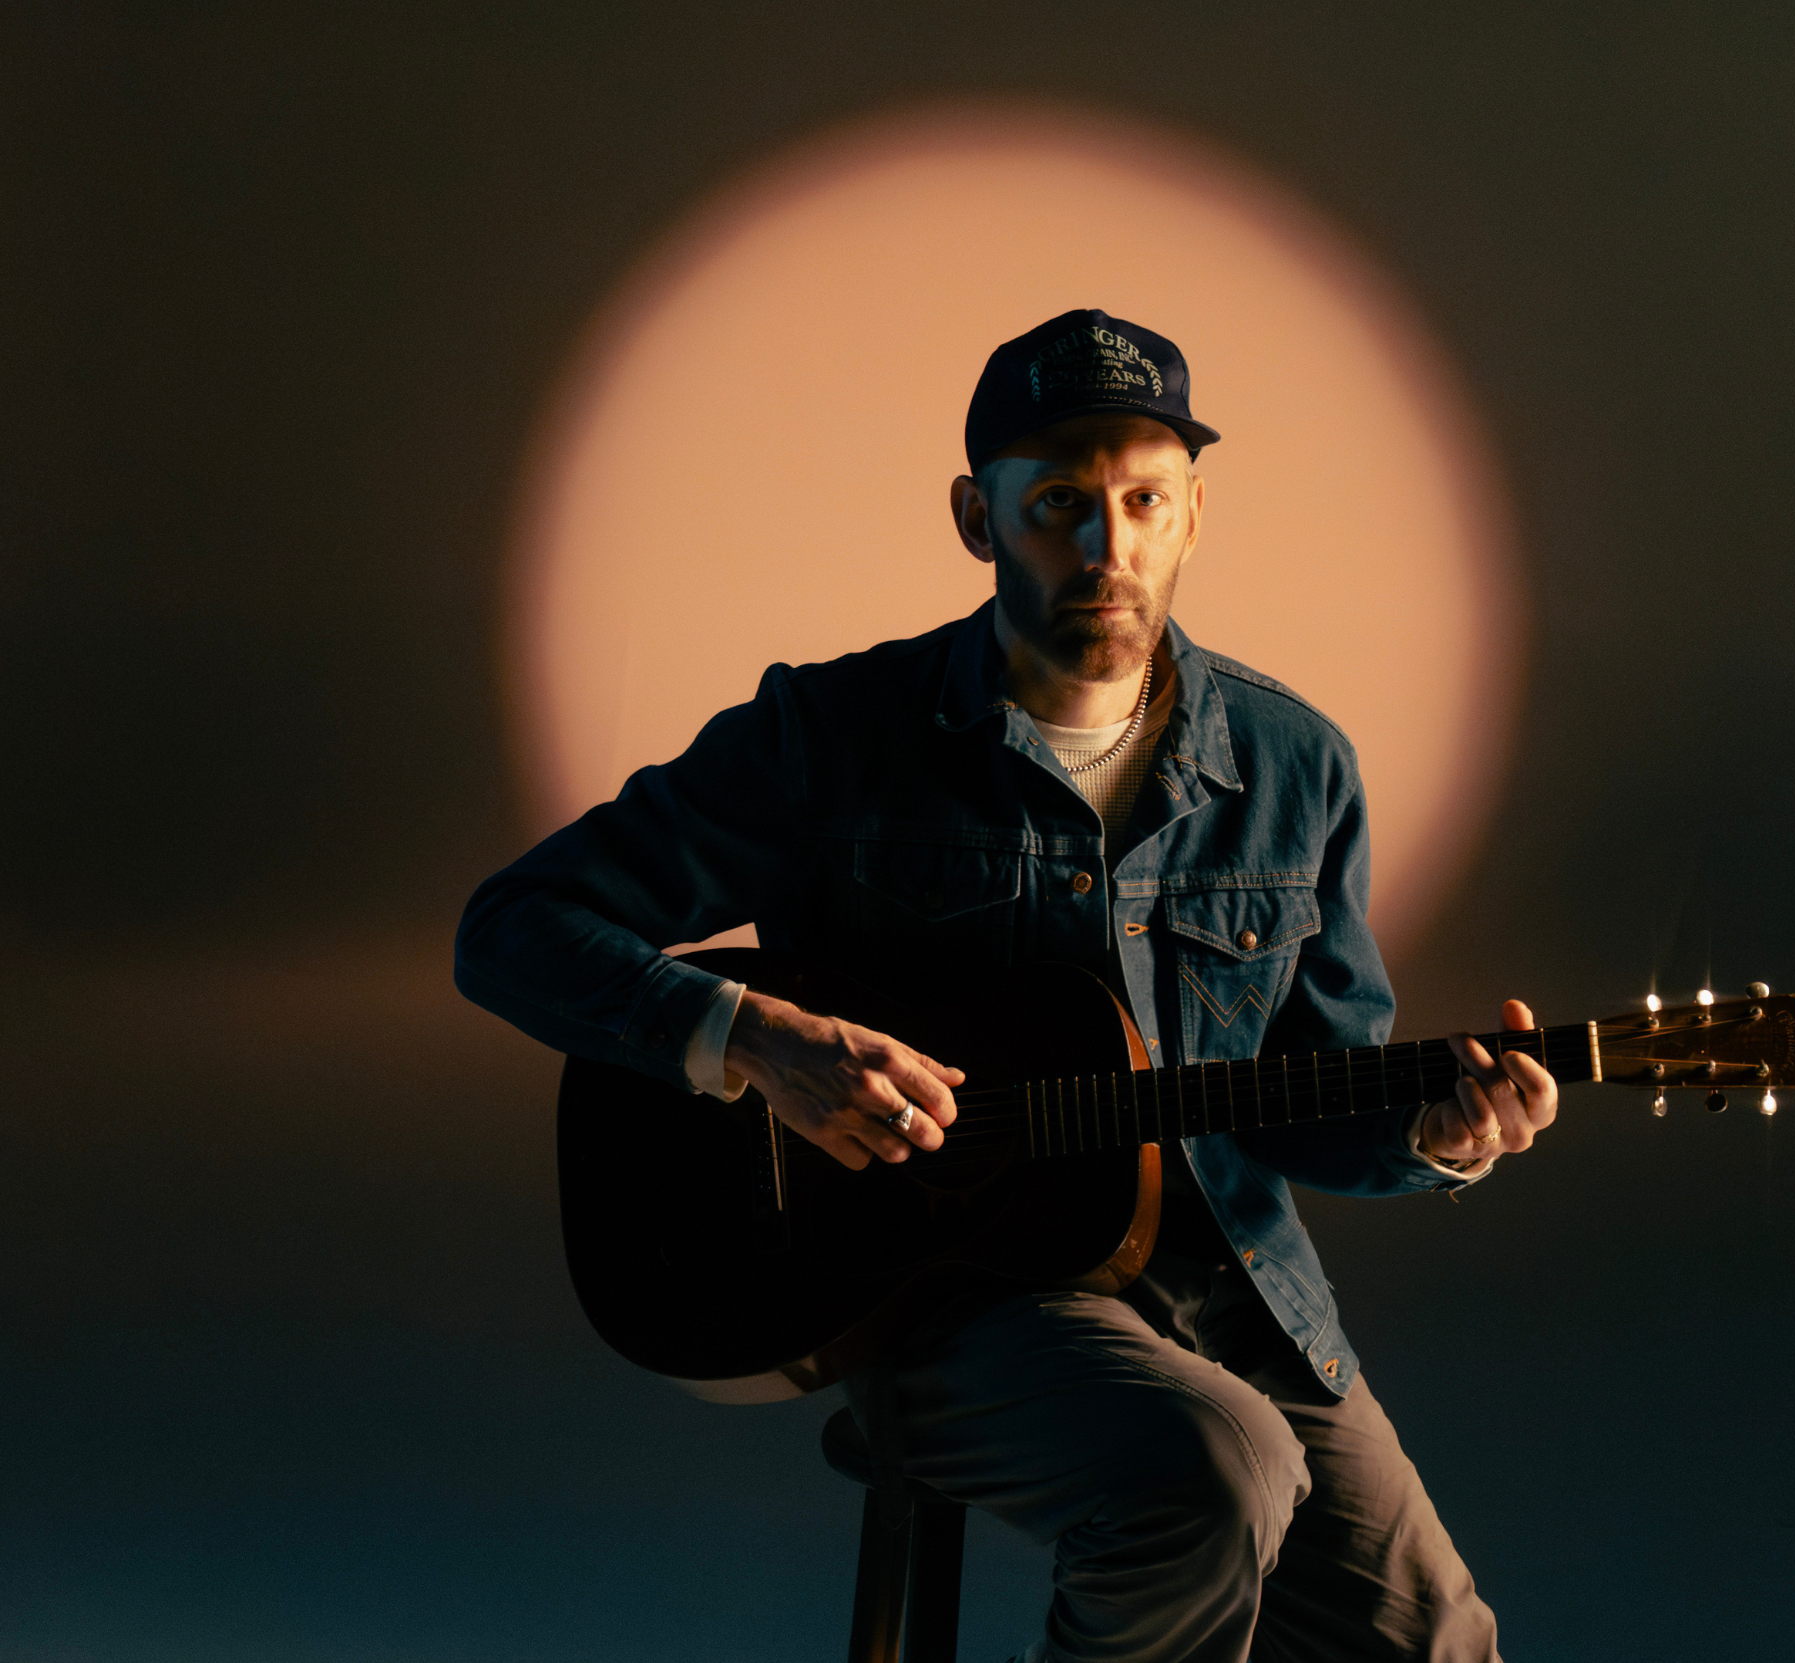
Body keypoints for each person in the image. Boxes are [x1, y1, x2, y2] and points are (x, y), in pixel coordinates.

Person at [456, 308, 1559, 1662]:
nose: (1107, 548)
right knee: (1216, 1471)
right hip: (947, 1300)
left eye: (1143, 501)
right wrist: (750, 1040)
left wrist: (1435, 1138)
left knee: (1440, 1641)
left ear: (1194, 514)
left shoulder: (1295, 768)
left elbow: (1309, 1096)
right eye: (1057, 505)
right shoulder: (835, 739)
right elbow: (512, 924)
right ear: (977, 518)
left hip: (1231, 1290)